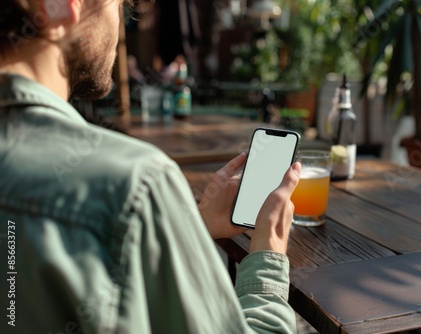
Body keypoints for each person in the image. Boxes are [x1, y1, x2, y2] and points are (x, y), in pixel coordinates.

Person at [0, 0, 301, 333]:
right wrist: (267, 256)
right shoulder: (135, 182)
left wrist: (186, 230)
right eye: (118, 3)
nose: (119, 20)